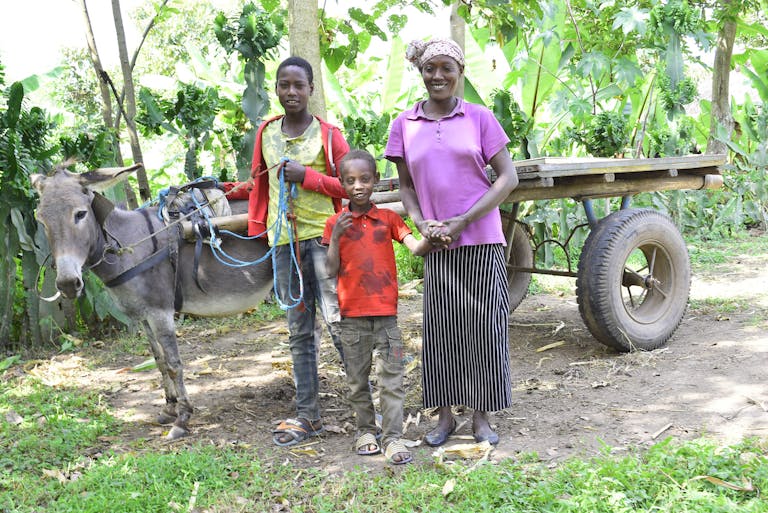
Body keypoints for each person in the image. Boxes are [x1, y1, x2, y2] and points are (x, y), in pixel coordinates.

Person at [384, 38, 520, 447]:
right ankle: (444, 418)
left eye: (447, 68)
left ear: (460, 72)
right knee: (442, 333)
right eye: (430, 69)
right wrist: (422, 223)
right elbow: (406, 186)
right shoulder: (404, 123)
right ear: (421, 73)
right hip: (438, 244)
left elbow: (508, 178)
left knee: (484, 328)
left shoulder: (479, 118)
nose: (437, 76)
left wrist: (464, 220)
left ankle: (481, 417)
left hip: (481, 239)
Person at [222, 56, 350, 447]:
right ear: (276, 90)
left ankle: (367, 411)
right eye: (283, 85)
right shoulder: (266, 133)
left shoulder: (329, 135)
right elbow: (257, 182)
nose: (290, 92)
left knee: (339, 324)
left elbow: (351, 186)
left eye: (298, 85)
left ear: (311, 89)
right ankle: (308, 415)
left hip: (324, 242)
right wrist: (223, 191)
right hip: (283, 245)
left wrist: (308, 177)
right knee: (298, 333)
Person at [323, 149, 430, 464]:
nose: (359, 186)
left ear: (376, 181)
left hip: (388, 321)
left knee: (392, 380)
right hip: (351, 321)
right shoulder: (334, 223)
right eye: (351, 180)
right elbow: (329, 270)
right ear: (342, 184)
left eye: (365, 179)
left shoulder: (389, 219)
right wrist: (336, 236)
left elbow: (415, 247)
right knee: (357, 381)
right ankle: (366, 431)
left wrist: (433, 236)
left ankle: (394, 438)